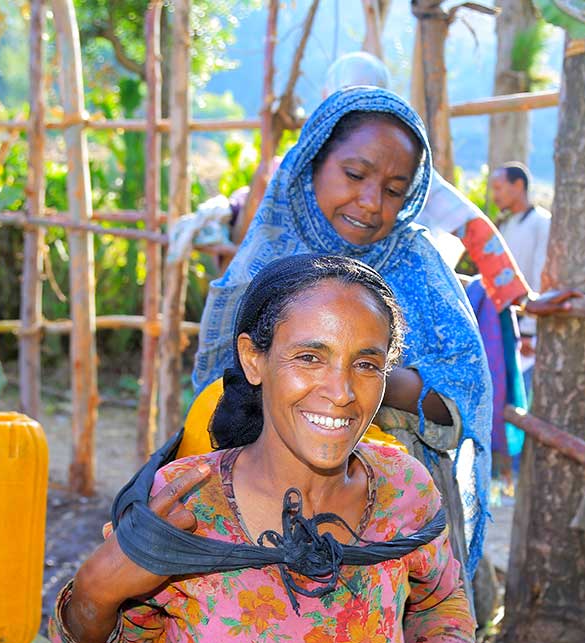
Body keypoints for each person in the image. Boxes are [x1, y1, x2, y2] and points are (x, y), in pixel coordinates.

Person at [50, 255, 487, 643]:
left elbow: (438, 596)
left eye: (365, 364)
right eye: (309, 357)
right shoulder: (187, 505)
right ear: (254, 359)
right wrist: (94, 592)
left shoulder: (403, 491)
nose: (342, 391)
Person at [193, 86, 494, 599]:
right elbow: (218, 387)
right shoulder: (263, 259)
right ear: (313, 162)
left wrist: (362, 375)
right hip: (257, 508)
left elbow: (460, 398)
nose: (372, 203)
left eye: (395, 189)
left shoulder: (417, 264)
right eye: (355, 175)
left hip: (389, 527)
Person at [489, 162, 552, 398]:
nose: (495, 195)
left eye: (499, 187)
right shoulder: (505, 225)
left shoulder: (541, 223)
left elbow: (540, 276)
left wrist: (529, 329)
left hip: (528, 328)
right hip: (504, 321)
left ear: (518, 185)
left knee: (523, 395)